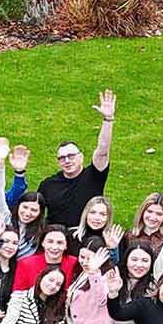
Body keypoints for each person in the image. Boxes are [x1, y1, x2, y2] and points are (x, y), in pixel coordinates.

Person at [35, 90, 116, 229]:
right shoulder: (48, 185)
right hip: (57, 239)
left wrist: (108, 120)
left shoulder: (94, 176)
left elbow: (102, 150)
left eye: (71, 156)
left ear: (81, 157)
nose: (67, 160)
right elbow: (35, 213)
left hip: (87, 235)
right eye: (62, 158)